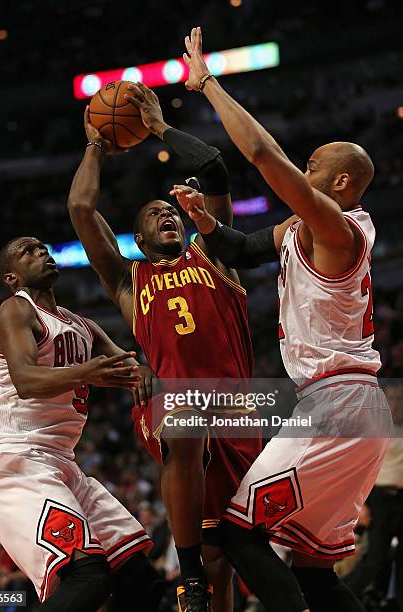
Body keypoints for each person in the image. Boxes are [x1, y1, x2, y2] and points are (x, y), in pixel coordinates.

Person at [170, 25, 393, 612]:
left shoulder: (337, 228)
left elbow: (264, 154)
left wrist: (208, 83)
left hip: (336, 405)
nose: (307, 162)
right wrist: (204, 221)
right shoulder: (302, 230)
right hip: (349, 407)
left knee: (240, 533)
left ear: (341, 181)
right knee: (316, 572)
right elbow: (240, 249)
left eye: (316, 162)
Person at [67, 85, 276, 612]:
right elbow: (80, 206)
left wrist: (160, 126)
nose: (169, 215)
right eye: (155, 214)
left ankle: (200, 584)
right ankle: (187, 579)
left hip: (237, 413)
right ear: (137, 239)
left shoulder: (214, 254)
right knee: (186, 423)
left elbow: (214, 171)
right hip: (170, 404)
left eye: (172, 211)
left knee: (222, 554)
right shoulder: (128, 279)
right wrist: (96, 144)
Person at [0, 236, 165, 611]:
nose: (41, 251)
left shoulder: (82, 325)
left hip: (61, 464)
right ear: (11, 277)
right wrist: (88, 372)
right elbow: (26, 381)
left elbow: (131, 366)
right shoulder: (16, 311)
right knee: (88, 576)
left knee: (141, 580)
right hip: (14, 459)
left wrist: (140, 373)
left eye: (42, 246)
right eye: (28, 250)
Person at [344, 383, 403, 608]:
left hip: (401, 498)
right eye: (393, 399)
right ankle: (336, 600)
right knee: (374, 558)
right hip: (379, 498)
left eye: (400, 399)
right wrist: (363, 504)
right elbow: (359, 469)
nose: (397, 404)